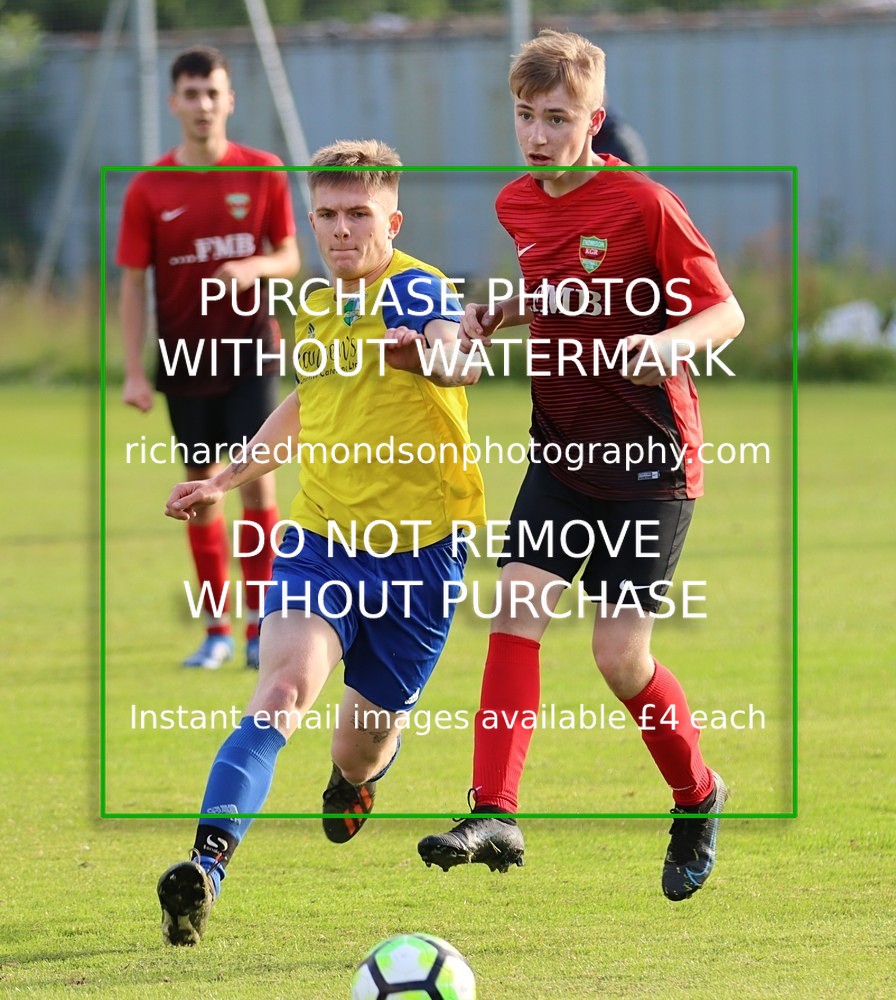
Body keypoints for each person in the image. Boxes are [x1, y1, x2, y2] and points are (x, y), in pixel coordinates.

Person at [417, 30, 745, 901]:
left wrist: (668, 344)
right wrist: (501, 312)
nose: (537, 134)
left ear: (593, 122)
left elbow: (725, 313)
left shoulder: (644, 203)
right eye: (525, 115)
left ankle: (698, 794)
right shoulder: (516, 203)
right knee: (514, 613)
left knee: (618, 657)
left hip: (649, 461)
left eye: (557, 118)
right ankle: (494, 810)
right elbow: (560, 288)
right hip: (561, 451)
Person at [154, 139, 485, 946]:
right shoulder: (314, 306)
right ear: (311, 220)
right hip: (321, 541)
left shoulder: (415, 288)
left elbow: (458, 357)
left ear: (391, 221)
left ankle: (355, 779)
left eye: (359, 214)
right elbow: (307, 405)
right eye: (328, 215)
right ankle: (206, 868)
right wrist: (224, 480)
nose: (342, 230)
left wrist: (434, 355)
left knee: (358, 748)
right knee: (279, 695)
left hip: (421, 557)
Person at [116, 45, 300, 670]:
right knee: (201, 490)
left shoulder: (263, 170)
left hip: (250, 350)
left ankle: (259, 628)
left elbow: (289, 256)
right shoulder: (149, 187)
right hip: (185, 358)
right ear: (175, 102)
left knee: (255, 481)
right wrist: (134, 371)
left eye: (213, 93)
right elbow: (132, 284)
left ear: (230, 100)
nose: (203, 105)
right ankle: (218, 631)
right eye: (192, 94)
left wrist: (254, 266)